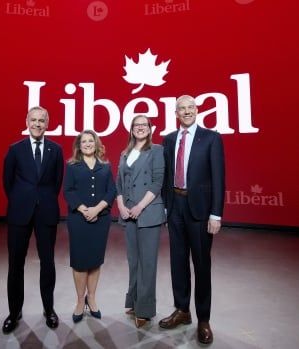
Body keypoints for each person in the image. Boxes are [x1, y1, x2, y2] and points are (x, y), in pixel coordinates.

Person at [159, 95, 225, 344]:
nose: (186, 112)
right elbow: (166, 177)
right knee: (178, 262)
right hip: (175, 206)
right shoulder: (169, 140)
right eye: (182, 109)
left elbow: (219, 178)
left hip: (200, 211)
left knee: (201, 265)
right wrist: (166, 207)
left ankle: (204, 319)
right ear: (176, 113)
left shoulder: (211, 138)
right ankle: (182, 310)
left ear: (197, 110)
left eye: (190, 108)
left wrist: (216, 213)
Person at [1, 106, 64, 334]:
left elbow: (56, 182)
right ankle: (14, 312)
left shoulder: (55, 150)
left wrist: (41, 200)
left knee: (48, 263)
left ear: (47, 124)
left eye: (42, 121)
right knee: (15, 263)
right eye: (33, 120)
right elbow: (7, 181)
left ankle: (49, 309)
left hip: (45, 212)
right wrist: (22, 199)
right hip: (20, 212)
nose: (37, 124)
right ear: (27, 122)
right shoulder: (15, 150)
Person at [116, 115, 165, 328]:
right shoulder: (125, 153)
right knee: (133, 261)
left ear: (150, 128)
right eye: (137, 125)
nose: (140, 128)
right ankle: (134, 302)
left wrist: (139, 206)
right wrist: (120, 205)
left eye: (144, 125)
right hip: (128, 214)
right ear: (132, 129)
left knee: (147, 263)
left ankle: (144, 310)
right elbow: (119, 182)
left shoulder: (156, 150)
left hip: (148, 213)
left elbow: (157, 183)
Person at [63, 130, 116, 323]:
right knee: (79, 261)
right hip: (78, 219)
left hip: (101, 220)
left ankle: (91, 298)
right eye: (83, 141)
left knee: (95, 261)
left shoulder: (105, 165)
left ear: (96, 143)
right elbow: (67, 191)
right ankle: (79, 301)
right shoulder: (72, 166)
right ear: (79, 145)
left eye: (90, 141)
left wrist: (98, 209)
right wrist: (85, 210)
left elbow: (112, 190)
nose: (87, 144)